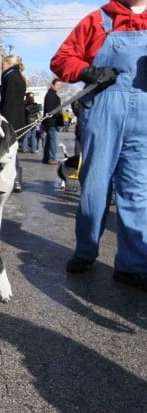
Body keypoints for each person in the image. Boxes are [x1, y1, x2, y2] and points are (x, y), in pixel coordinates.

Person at [50, 0, 147, 290]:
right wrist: (86, 72)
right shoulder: (98, 19)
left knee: (137, 189)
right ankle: (85, 251)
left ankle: (133, 265)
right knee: (95, 184)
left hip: (143, 114)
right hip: (104, 106)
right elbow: (61, 59)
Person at [0, 55, 27, 193]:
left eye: (3, 63)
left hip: (10, 119)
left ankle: (14, 180)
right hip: (18, 118)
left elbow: (8, 101)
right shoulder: (18, 76)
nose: (1, 66)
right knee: (12, 150)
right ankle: (16, 181)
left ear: (10, 64)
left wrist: (2, 119)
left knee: (8, 150)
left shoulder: (10, 77)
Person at [41, 78, 63, 165]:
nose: (59, 87)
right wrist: (58, 114)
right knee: (53, 140)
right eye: (58, 85)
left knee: (49, 140)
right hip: (51, 122)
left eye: (60, 86)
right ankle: (51, 158)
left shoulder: (52, 94)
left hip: (51, 121)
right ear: (52, 85)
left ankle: (46, 158)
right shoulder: (50, 95)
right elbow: (50, 109)